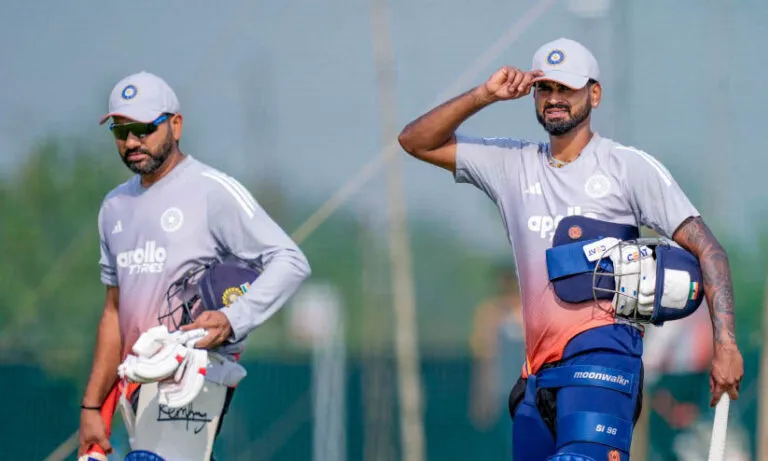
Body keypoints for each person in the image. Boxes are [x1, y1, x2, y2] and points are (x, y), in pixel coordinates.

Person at [398, 37, 744, 460]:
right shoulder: (510, 164)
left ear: (593, 94)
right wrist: (484, 95)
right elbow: (417, 142)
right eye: (545, 88)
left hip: (605, 361)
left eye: (567, 89)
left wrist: (726, 345)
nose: (554, 99)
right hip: (537, 378)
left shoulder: (627, 167)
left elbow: (709, 249)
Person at [77, 71, 311, 460]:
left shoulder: (211, 190)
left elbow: (290, 261)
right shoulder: (113, 207)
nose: (132, 142)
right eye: (121, 131)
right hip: (136, 386)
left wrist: (233, 318)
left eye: (143, 128)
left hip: (195, 377)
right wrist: (91, 408)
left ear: (176, 125)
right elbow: (113, 313)